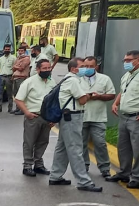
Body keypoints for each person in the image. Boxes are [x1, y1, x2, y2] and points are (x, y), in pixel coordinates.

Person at [48, 59, 101, 192]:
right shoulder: (73, 80)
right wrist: (89, 95)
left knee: (62, 148)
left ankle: (55, 175)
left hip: (66, 117)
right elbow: (82, 100)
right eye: (82, 66)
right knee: (75, 148)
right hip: (72, 117)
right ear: (73, 69)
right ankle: (84, 181)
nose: (85, 69)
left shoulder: (67, 79)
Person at [14, 59, 56, 177]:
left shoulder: (52, 82)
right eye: (44, 68)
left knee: (43, 142)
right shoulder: (29, 82)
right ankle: (27, 166)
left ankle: (38, 164)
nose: (47, 70)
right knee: (29, 142)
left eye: (49, 68)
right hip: (33, 116)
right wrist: (27, 113)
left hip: (47, 117)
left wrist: (53, 117)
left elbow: (55, 100)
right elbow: (18, 99)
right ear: (37, 69)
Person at [106, 50, 139, 189]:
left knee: (137, 149)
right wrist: (115, 103)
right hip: (124, 117)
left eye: (128, 60)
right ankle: (124, 173)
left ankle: (137, 177)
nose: (126, 63)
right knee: (123, 147)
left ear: (137, 60)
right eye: (124, 60)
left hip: (135, 118)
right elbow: (123, 91)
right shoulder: (127, 75)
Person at [79, 56, 116, 178]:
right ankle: (83, 166)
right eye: (85, 66)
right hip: (81, 116)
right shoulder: (77, 79)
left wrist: (99, 96)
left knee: (100, 143)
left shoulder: (105, 79)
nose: (88, 68)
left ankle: (104, 168)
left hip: (98, 117)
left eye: (91, 66)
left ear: (96, 67)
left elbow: (111, 95)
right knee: (81, 143)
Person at [10, 46, 31, 115]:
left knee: (21, 94)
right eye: (19, 50)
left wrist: (16, 66)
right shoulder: (18, 58)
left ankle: (22, 109)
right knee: (16, 94)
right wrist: (16, 66)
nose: (20, 52)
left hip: (21, 77)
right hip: (15, 77)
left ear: (24, 51)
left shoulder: (26, 58)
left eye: (22, 51)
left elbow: (21, 68)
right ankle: (17, 108)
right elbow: (13, 68)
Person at [0, 44, 16, 113]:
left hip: (9, 77)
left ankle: (10, 108)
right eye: (6, 49)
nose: (7, 50)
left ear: (10, 50)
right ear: (3, 49)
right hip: (1, 77)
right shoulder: (1, 58)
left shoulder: (13, 58)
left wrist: (13, 76)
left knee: (9, 94)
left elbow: (14, 68)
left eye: (8, 49)